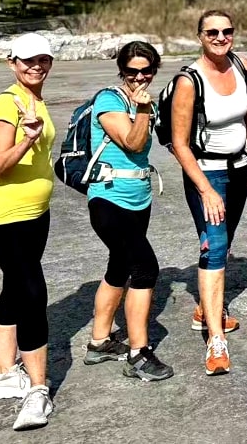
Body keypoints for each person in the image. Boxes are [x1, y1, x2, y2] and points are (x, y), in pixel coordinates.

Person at [169, 10, 247, 376]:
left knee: (223, 244)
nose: (221, 37)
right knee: (213, 249)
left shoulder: (242, 66)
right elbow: (180, 144)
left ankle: (205, 308)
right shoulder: (188, 81)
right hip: (205, 172)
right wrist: (206, 189)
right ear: (200, 36)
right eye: (212, 32)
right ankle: (215, 339)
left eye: (227, 31)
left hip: (240, 169)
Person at [82, 41, 174, 382]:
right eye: (132, 70)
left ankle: (99, 342)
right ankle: (138, 354)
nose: (139, 77)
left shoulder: (144, 101)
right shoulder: (109, 100)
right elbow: (132, 143)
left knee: (118, 266)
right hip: (108, 199)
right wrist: (144, 110)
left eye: (146, 71)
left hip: (139, 197)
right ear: (121, 70)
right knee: (145, 268)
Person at [0, 32, 57, 430]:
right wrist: (27, 139)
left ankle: (3, 374)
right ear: (13, 63)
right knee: (32, 293)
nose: (36, 66)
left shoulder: (37, 100)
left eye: (43, 59)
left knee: (14, 286)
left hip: (36, 213)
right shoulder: (5, 103)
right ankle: (38, 391)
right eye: (28, 61)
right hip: (9, 216)